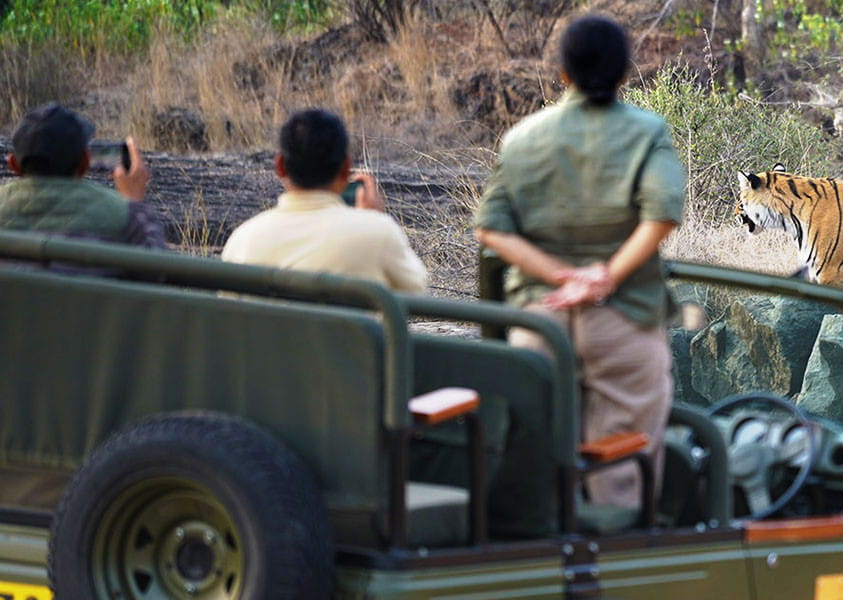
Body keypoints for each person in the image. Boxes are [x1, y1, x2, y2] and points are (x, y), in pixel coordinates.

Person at [473, 14, 683, 509]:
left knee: (541, 455)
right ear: (625, 72)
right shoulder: (648, 132)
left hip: (539, 320)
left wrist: (557, 276)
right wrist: (603, 277)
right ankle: (614, 561)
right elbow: (663, 214)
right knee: (622, 468)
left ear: (563, 73)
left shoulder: (521, 138)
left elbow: (490, 228)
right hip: (625, 317)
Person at [222, 109, 428, 294]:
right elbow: (417, 293)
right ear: (346, 168)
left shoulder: (242, 241)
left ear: (280, 166)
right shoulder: (377, 233)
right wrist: (375, 220)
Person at [0, 104, 165, 272]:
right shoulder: (123, 217)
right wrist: (134, 203)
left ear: (13, 164)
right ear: (85, 162)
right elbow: (158, 274)